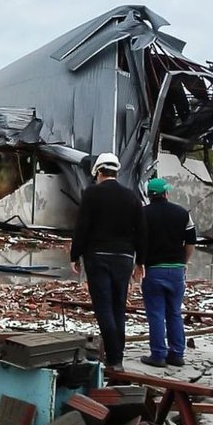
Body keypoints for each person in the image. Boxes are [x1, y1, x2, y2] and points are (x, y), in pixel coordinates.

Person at [70, 152, 146, 372]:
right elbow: (142, 230)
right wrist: (140, 261)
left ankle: (114, 358)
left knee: (103, 307)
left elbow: (82, 226)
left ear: (99, 172)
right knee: (117, 307)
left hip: (97, 257)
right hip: (124, 259)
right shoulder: (131, 196)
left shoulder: (91, 194)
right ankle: (116, 356)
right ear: (116, 171)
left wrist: (75, 255)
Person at [139, 177, 196, 368]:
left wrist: (138, 264)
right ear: (166, 193)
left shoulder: (143, 214)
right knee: (174, 313)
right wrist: (184, 262)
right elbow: (191, 242)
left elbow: (136, 242)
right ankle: (177, 354)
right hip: (176, 271)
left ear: (149, 195)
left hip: (153, 270)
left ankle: (158, 355)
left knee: (156, 313)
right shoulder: (182, 213)